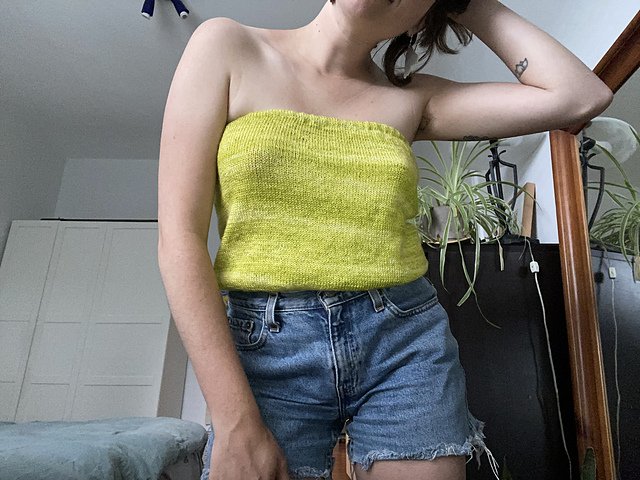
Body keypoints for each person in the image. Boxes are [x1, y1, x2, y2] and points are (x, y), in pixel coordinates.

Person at [157, 1, 613, 479]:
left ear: (425, 15)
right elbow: (179, 239)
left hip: (402, 342)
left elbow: (580, 96)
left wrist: (469, 4)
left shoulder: (415, 98)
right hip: (267, 348)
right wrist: (234, 420)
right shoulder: (227, 45)